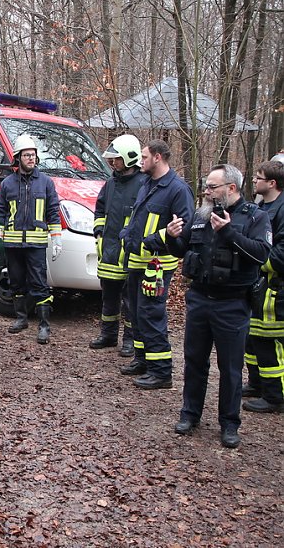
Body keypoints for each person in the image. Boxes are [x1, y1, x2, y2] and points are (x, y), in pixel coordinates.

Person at [165, 164, 271, 448]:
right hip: (199, 299)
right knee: (194, 361)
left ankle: (229, 423)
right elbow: (181, 249)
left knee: (231, 368)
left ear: (232, 189)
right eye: (206, 186)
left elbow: (261, 254)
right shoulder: (200, 217)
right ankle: (190, 414)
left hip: (232, 304)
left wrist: (228, 234)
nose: (206, 192)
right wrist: (171, 236)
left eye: (212, 187)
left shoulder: (254, 217)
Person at [119, 139, 194, 388]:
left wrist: (152, 240)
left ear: (158, 157)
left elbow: (182, 231)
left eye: (144, 157)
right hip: (137, 260)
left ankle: (161, 372)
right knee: (138, 314)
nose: (140, 161)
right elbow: (138, 216)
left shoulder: (177, 189)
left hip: (157, 265)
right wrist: (127, 233)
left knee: (151, 315)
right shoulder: (147, 184)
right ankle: (143, 360)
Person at [0, 134, 61, 344]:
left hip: (36, 244)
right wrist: (1, 234)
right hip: (13, 244)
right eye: (27, 155)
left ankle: (44, 326)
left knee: (40, 284)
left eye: (33, 155)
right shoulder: (7, 184)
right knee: (16, 282)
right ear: (18, 158)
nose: (31, 158)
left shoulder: (45, 183)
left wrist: (56, 238)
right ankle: (21, 319)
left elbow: (53, 211)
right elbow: (2, 211)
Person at [90, 134, 145, 356]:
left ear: (130, 158)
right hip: (109, 250)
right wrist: (99, 231)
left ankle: (130, 340)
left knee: (130, 300)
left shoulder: (143, 184)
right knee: (108, 297)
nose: (113, 163)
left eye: (117, 159)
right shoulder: (110, 183)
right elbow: (100, 209)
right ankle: (108, 334)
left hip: (129, 252)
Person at [243, 159, 284, 413]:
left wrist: (255, 260)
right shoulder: (259, 206)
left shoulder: (282, 209)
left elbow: (280, 254)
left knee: (270, 342)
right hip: (257, 286)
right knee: (253, 338)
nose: (255, 181)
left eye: (259, 178)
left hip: (275, 288)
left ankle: (275, 396)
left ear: (272, 183)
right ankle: (257, 382)